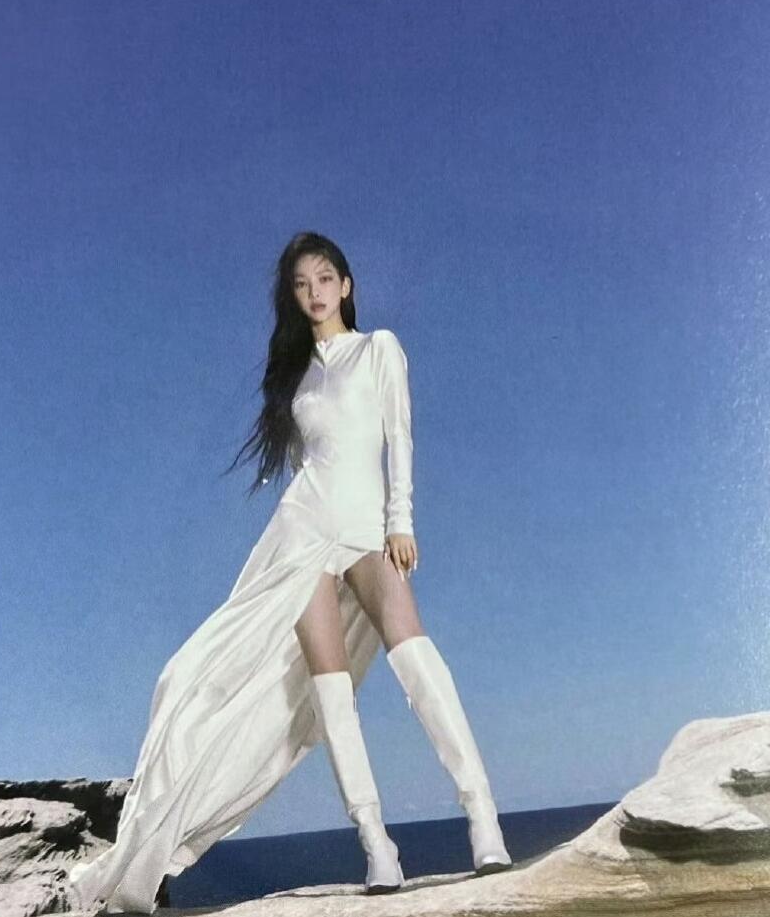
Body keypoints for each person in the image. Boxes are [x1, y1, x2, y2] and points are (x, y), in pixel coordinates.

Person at [67, 232, 512, 914]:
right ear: (293, 297)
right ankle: (377, 846)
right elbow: (307, 465)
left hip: (368, 530)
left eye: (325, 278)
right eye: (302, 284)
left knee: (418, 661)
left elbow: (399, 436)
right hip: (303, 536)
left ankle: (483, 818)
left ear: (347, 284)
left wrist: (401, 519)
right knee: (332, 695)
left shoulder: (379, 348)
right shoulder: (295, 378)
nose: (315, 292)